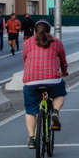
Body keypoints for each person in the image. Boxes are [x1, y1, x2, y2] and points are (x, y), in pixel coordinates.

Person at [23, 20, 68, 149]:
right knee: (59, 94)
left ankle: (32, 138)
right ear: (49, 30)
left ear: (34, 30)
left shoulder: (28, 42)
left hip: (31, 80)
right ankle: (54, 112)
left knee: (30, 110)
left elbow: (25, 59)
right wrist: (64, 71)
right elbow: (63, 61)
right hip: (52, 80)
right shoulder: (56, 42)